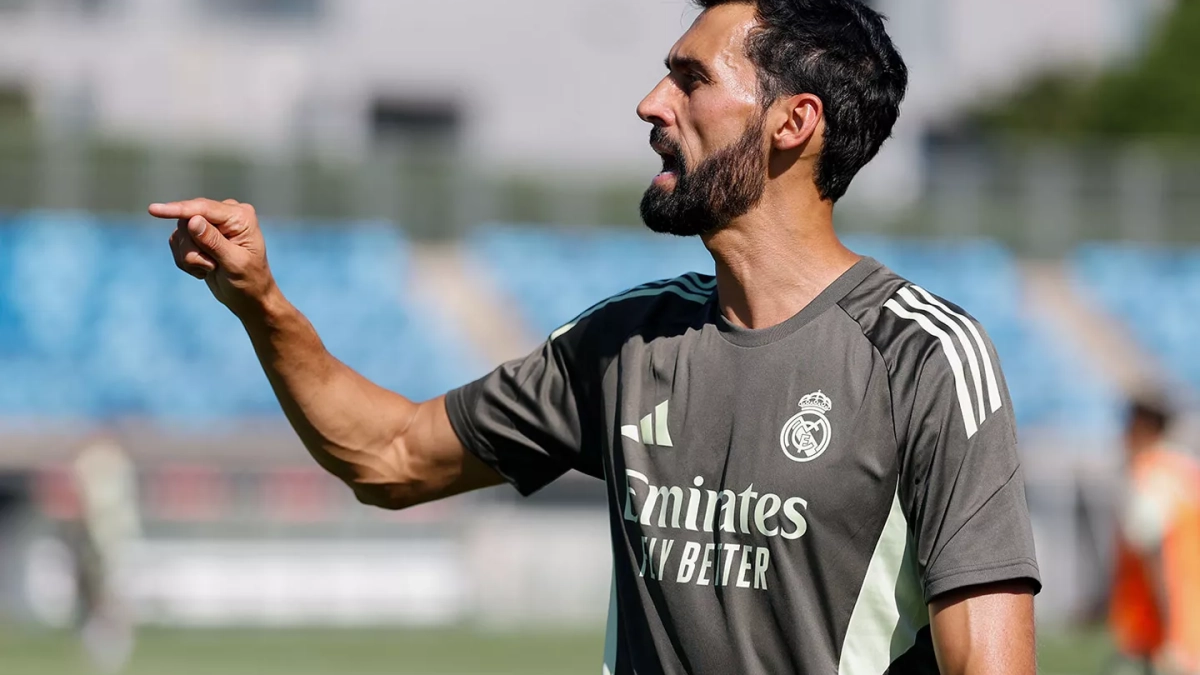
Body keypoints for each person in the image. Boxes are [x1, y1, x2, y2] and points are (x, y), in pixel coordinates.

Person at [153, 0, 1039, 672]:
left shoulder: (923, 357)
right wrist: (262, 303)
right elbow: (388, 456)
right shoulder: (625, 342)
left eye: (691, 79)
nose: (651, 103)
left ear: (792, 123)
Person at [1109, 396, 1200, 675]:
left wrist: (1170, 637)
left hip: (1156, 638)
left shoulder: (1146, 478)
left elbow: (1155, 557)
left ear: (1141, 427)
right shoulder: (1186, 472)